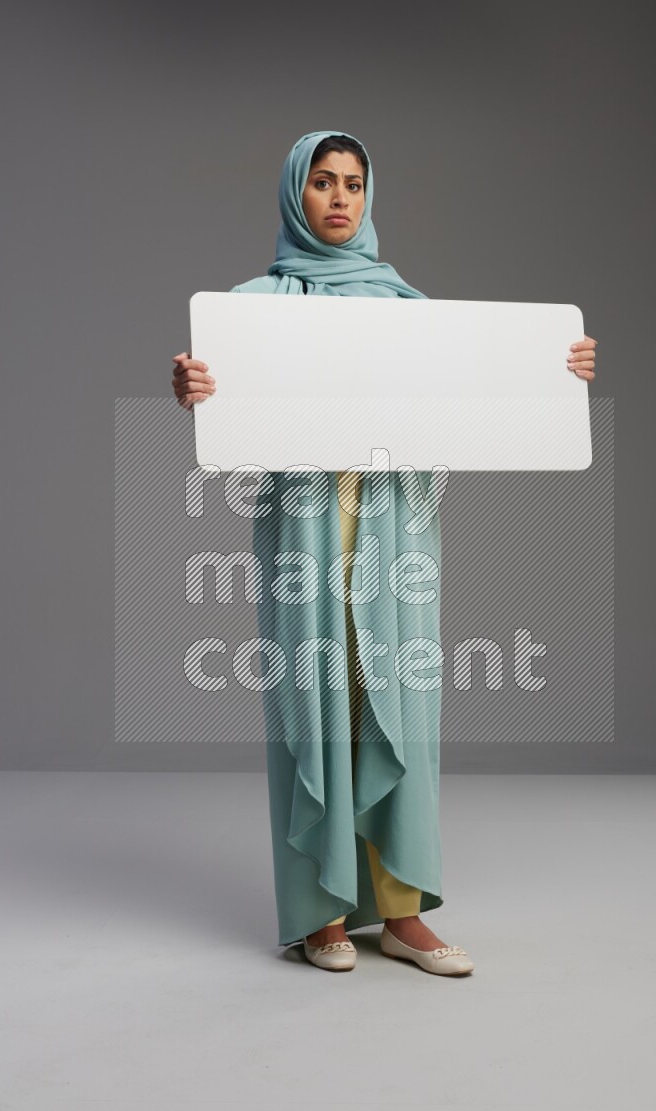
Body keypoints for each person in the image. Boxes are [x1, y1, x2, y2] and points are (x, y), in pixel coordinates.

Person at [171, 130, 599, 976]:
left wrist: (559, 374)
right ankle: (322, 912)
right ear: (296, 194)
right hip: (305, 526)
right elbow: (225, 404)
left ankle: (403, 913)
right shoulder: (254, 306)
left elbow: (480, 398)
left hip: (396, 527)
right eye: (323, 182)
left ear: (369, 197)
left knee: (397, 704)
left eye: (354, 183)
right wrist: (192, 388)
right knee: (318, 702)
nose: (340, 198)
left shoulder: (409, 309)